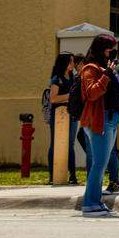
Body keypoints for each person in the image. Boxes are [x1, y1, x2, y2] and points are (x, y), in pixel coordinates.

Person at [79, 33, 119, 217]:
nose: (112, 51)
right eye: (109, 47)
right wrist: (106, 76)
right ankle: (90, 203)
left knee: (101, 163)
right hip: (98, 120)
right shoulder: (90, 68)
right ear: (101, 48)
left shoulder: (106, 67)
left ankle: (95, 201)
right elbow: (91, 94)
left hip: (110, 118)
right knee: (99, 163)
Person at [47, 53, 77, 185]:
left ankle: (73, 175)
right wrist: (70, 96)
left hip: (72, 114)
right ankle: (53, 175)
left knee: (70, 144)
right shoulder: (56, 79)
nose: (73, 64)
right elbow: (53, 99)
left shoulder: (72, 77)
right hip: (59, 115)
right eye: (70, 61)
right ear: (64, 63)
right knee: (56, 143)